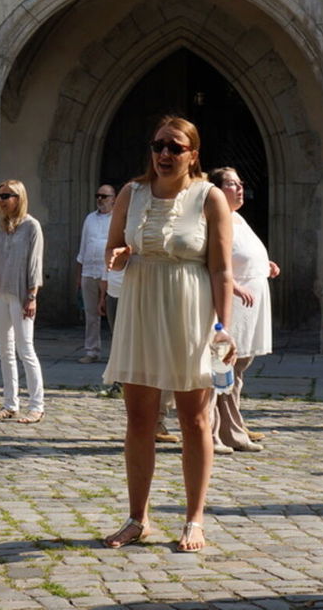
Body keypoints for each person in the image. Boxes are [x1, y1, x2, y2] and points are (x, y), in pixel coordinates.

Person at [100, 116, 234, 554]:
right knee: (139, 419)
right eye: (158, 145)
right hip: (140, 306)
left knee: (194, 419)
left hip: (189, 311)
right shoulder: (131, 193)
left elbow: (221, 269)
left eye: (175, 147)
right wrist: (119, 255)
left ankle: (194, 518)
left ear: (192, 154)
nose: (164, 154)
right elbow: (113, 249)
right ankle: (137, 518)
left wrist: (223, 328)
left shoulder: (209, 197)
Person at [208, 166, 276, 452]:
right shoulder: (215, 218)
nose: (239, 188)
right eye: (232, 184)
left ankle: (232, 429)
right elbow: (211, 262)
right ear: (217, 190)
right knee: (221, 369)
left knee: (236, 371)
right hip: (231, 306)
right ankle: (213, 434)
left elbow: (242, 255)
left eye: (240, 183)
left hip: (250, 308)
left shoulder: (237, 218)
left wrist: (265, 265)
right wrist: (235, 286)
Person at [0, 179, 46, 422]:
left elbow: (35, 264)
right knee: (5, 350)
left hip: (21, 294)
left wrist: (32, 296)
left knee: (25, 348)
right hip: (0, 292)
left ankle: (37, 405)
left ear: (19, 198)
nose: (2, 200)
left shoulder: (31, 226)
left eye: (7, 196)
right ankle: (10, 403)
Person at [76, 183, 116, 363]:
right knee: (91, 314)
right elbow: (83, 247)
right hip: (89, 271)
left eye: (104, 196)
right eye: (97, 196)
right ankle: (92, 351)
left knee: (113, 314)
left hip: (109, 272)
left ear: (113, 199)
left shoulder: (117, 218)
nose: (100, 199)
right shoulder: (89, 219)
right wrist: (79, 275)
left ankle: (116, 355)